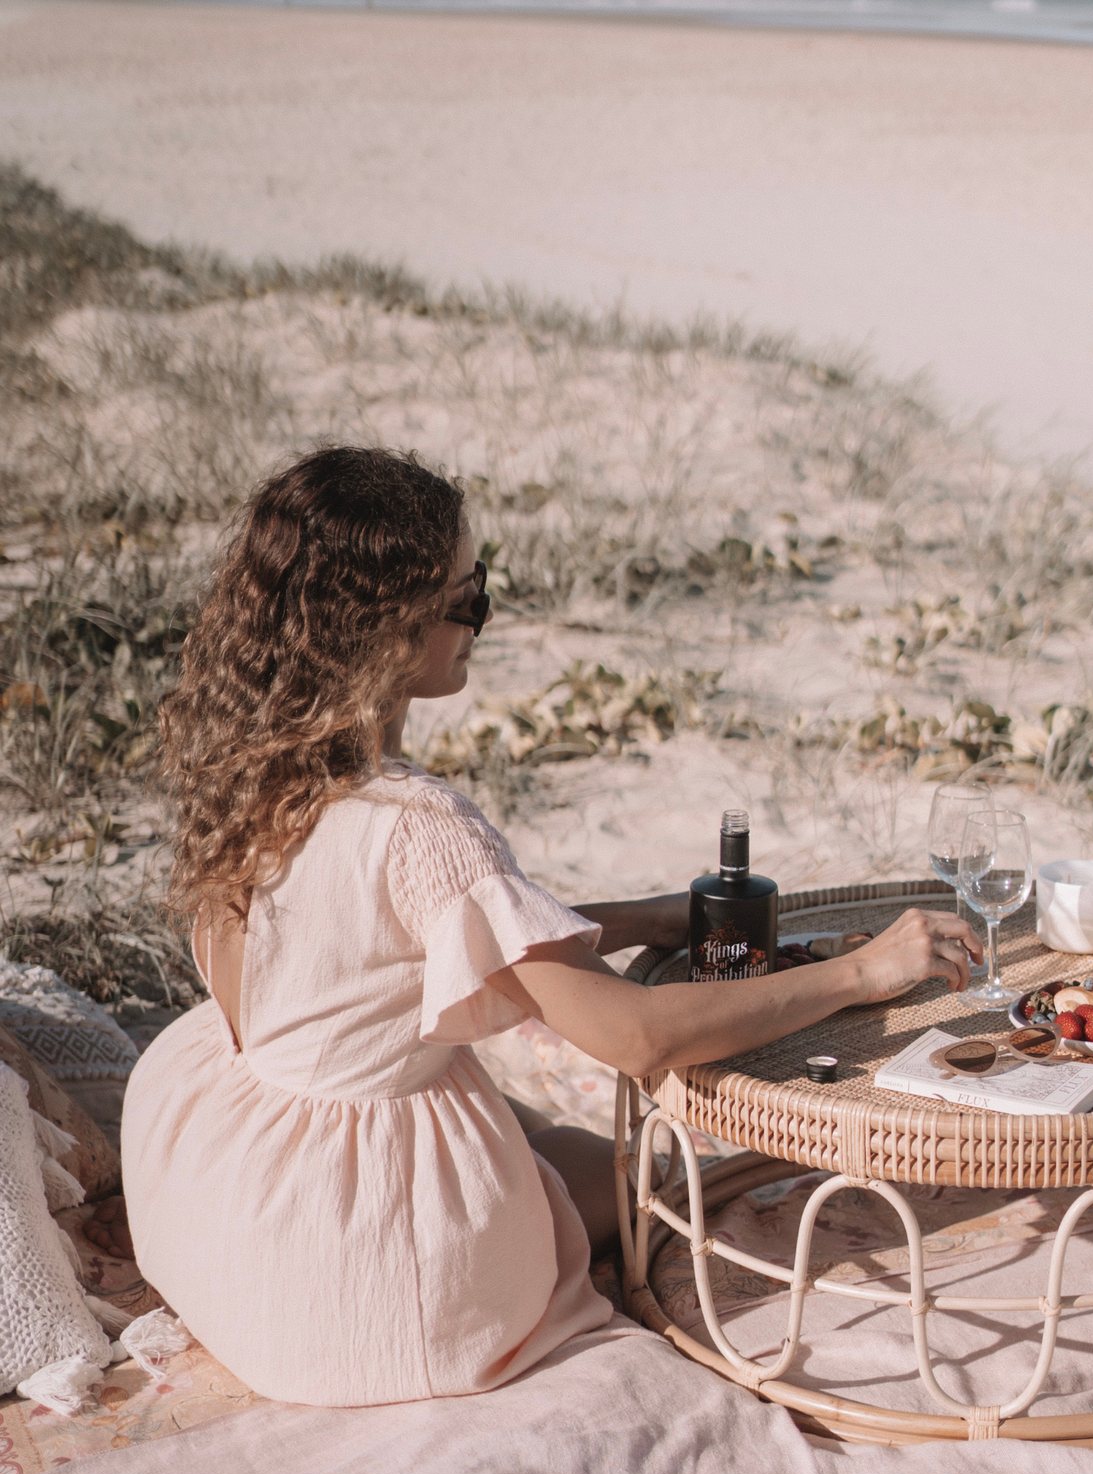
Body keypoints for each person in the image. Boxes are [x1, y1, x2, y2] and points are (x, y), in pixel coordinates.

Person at [122, 445, 980, 1408]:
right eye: (466, 596)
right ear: (389, 633)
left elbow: (375, 953)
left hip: (223, 1178)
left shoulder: (253, 761)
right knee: (645, 1182)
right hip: (344, 1263)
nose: (480, 618)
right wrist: (865, 972)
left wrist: (627, 919)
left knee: (583, 1164)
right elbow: (634, 1036)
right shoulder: (419, 824)